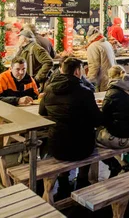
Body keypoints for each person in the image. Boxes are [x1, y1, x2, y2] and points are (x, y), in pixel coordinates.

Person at [39, 57, 103, 198]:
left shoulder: (48, 90)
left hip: (56, 147)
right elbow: (97, 120)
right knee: (88, 135)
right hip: (82, 148)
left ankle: (63, 183)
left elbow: (42, 113)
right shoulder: (85, 92)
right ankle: (82, 180)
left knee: (66, 134)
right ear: (76, 72)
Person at [98, 68, 129, 177]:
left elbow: (104, 118)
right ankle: (128, 162)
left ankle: (114, 164)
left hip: (120, 140)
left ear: (111, 78)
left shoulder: (111, 93)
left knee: (93, 138)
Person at [86, 27, 116, 91]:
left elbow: (94, 66)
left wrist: (88, 81)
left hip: (102, 80)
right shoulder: (107, 43)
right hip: (111, 78)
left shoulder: (93, 46)